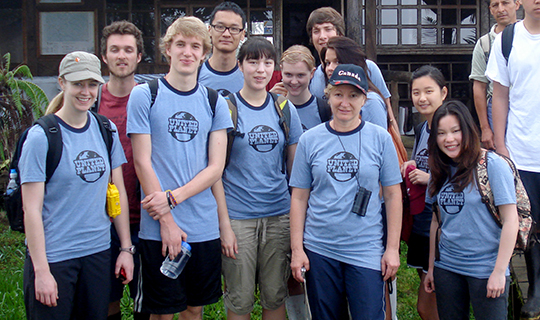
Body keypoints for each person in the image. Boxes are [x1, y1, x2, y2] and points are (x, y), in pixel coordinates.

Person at [127, 16, 232, 320]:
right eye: (181, 44)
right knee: (161, 313)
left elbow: (215, 168)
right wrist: (167, 220)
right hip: (158, 228)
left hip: (202, 226)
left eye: (195, 46)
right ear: (167, 49)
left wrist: (172, 198)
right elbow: (141, 161)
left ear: (204, 54)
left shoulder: (215, 102)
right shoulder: (146, 95)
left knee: (193, 310)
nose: (188, 52)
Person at [20, 51, 134, 319]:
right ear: (62, 83)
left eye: (92, 84)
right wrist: (42, 271)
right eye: (78, 84)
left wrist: (126, 249)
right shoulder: (41, 137)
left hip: (97, 254)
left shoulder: (105, 130)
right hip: (55, 258)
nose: (86, 92)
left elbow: (117, 194)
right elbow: (31, 210)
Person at [289, 64, 402, 320]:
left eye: (353, 95)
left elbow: (393, 196)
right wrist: (297, 250)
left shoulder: (380, 138)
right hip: (320, 247)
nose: (345, 102)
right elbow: (299, 197)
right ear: (328, 95)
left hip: (365, 248)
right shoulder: (311, 140)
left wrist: (392, 248)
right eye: (339, 94)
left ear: (364, 99)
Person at [219, 37, 303, 320]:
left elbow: (295, 172)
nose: (260, 69)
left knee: (274, 296)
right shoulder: (226, 108)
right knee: (239, 300)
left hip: (278, 216)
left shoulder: (283, 108)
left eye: (267, 62)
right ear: (240, 65)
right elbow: (215, 172)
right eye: (253, 61)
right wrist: (224, 226)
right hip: (238, 219)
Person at [424, 100, 519, 320]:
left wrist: (498, 272)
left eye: (455, 131)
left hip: (486, 270)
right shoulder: (439, 169)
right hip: (447, 267)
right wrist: (431, 267)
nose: (449, 139)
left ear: (467, 130)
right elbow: (436, 222)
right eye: (441, 133)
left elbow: (510, 221)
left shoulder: (492, 165)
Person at [486, 0, 540, 317]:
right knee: (530, 226)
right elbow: (500, 95)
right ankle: (536, 289)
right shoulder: (508, 40)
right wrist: (501, 144)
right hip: (522, 151)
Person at [97, 20, 149, 320]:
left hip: (146, 217)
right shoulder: (90, 101)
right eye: (114, 50)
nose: (121, 56)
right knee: (106, 299)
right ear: (104, 56)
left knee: (146, 302)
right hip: (102, 219)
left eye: (128, 50)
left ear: (139, 56)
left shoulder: (151, 99)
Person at [400, 65, 447, 320]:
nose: (422, 98)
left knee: (431, 301)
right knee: (427, 293)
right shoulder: (421, 129)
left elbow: (467, 175)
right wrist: (412, 165)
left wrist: (429, 178)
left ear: (443, 92)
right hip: (422, 221)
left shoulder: (452, 130)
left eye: (429, 91)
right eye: (416, 92)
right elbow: (425, 162)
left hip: (442, 224)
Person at [469, 0, 519, 150]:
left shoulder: (529, 37)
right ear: (490, 10)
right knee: (501, 155)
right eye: (496, 5)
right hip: (496, 107)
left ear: (517, 4)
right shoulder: (485, 44)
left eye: (506, 3)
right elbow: (479, 87)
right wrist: (485, 128)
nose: (501, 9)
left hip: (525, 102)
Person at [321, 36, 388, 129]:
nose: (330, 68)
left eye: (337, 62)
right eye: (328, 63)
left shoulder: (371, 102)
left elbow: (378, 140)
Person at [199, 1, 246, 96]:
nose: (226, 34)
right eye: (220, 27)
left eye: (234, 29)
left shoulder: (249, 76)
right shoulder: (194, 75)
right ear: (209, 30)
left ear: (242, 34)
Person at [275, 45, 322, 131]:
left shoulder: (323, 109)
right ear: (281, 71)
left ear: (312, 73)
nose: (294, 82)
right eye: (288, 75)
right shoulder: (274, 107)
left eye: (300, 75)